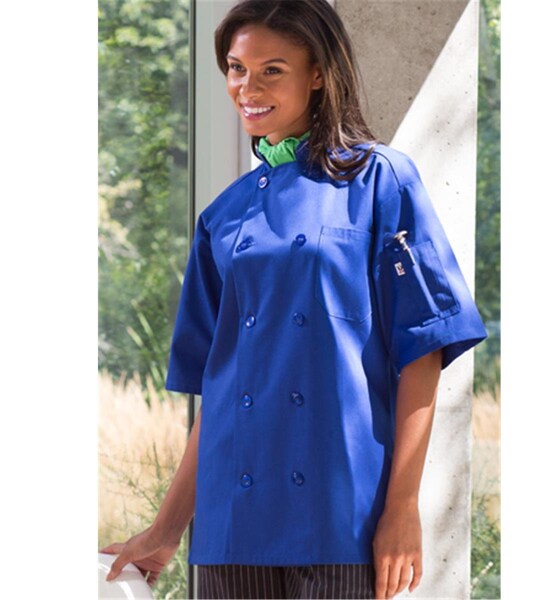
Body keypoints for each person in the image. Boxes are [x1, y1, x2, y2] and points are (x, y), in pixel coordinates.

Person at [101, 1, 487, 598]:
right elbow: (221, 390)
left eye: (272, 70)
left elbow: (422, 351)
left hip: (341, 511)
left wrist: (402, 507)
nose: (247, 88)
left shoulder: (381, 180)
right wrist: (166, 529)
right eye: (236, 68)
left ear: (319, 74)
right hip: (233, 526)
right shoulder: (222, 216)